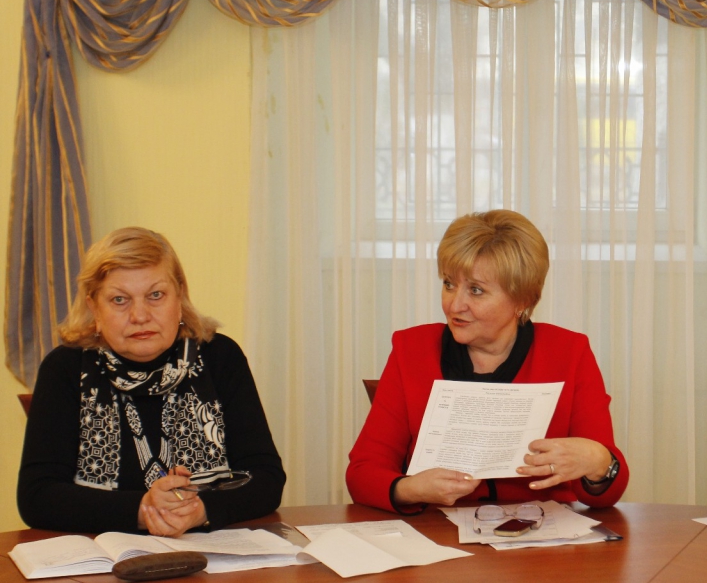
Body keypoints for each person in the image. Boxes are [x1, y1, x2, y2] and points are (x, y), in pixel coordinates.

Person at [346, 210, 629, 512]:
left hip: (542, 533)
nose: (454, 305)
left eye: (476, 290)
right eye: (449, 284)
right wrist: (410, 489)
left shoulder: (569, 352)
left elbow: (605, 495)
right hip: (437, 530)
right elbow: (361, 474)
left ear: (522, 300)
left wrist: (598, 461)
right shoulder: (411, 350)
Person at [18, 227, 285, 535]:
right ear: (94, 308)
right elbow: (37, 496)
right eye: (119, 299)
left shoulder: (220, 357)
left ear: (179, 296)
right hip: (104, 555)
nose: (140, 315)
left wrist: (201, 510)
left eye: (155, 295)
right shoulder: (65, 368)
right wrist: (142, 509)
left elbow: (266, 478)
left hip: (211, 553)